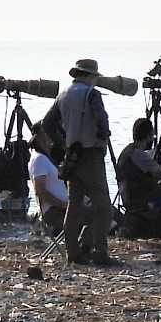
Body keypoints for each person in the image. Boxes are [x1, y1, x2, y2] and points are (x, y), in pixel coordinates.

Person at [51, 58, 115, 265]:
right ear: (89, 76)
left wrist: (63, 143)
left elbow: (47, 123)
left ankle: (73, 253)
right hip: (91, 154)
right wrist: (103, 136)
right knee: (103, 206)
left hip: (72, 155)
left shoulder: (62, 95)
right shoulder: (91, 93)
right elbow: (101, 119)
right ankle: (99, 251)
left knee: (74, 206)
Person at [116, 117, 161, 237]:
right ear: (148, 135)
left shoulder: (128, 151)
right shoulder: (137, 154)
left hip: (130, 196)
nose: (153, 139)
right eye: (152, 136)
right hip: (139, 200)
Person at [29, 135, 72, 236]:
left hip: (62, 208)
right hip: (55, 211)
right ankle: (84, 247)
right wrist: (62, 204)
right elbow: (40, 191)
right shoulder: (39, 159)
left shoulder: (45, 158)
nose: (51, 139)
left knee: (99, 214)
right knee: (95, 218)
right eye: (47, 136)